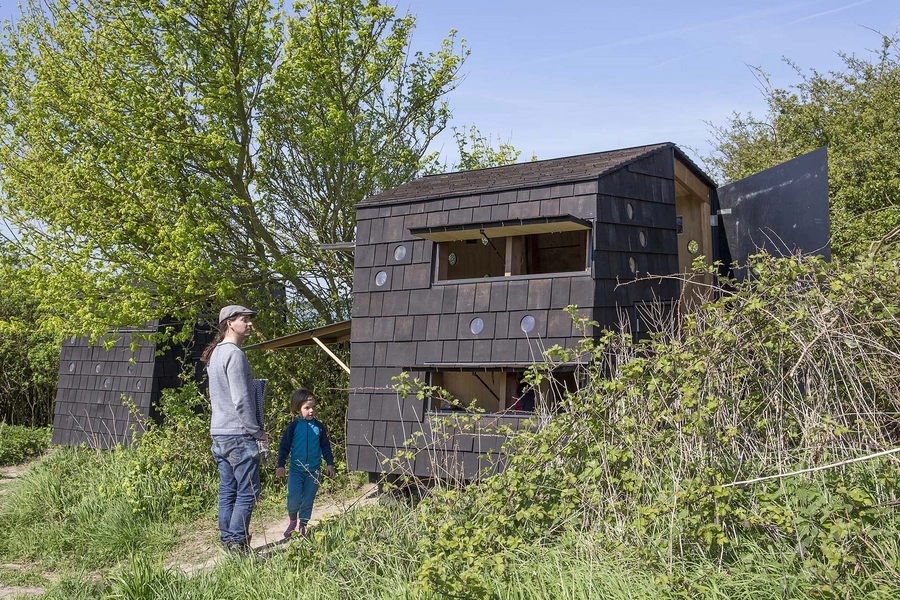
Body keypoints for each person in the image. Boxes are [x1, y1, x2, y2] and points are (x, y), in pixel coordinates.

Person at [201, 304, 267, 554]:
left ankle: (227, 540)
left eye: (250, 319)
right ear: (230, 323)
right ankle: (238, 544)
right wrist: (256, 431)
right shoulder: (235, 355)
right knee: (249, 491)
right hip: (238, 434)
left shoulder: (215, 354)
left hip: (219, 433)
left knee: (228, 489)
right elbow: (241, 400)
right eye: (245, 319)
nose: (250, 324)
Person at [276, 388, 335, 538]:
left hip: (313, 471)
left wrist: (329, 463)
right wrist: (280, 465)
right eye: (307, 408)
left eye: (313, 407)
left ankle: (303, 525)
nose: (311, 411)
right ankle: (292, 522)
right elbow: (284, 446)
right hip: (296, 470)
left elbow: (325, 446)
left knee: (308, 499)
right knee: (294, 498)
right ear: (297, 409)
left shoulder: (319, 427)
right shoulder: (294, 427)